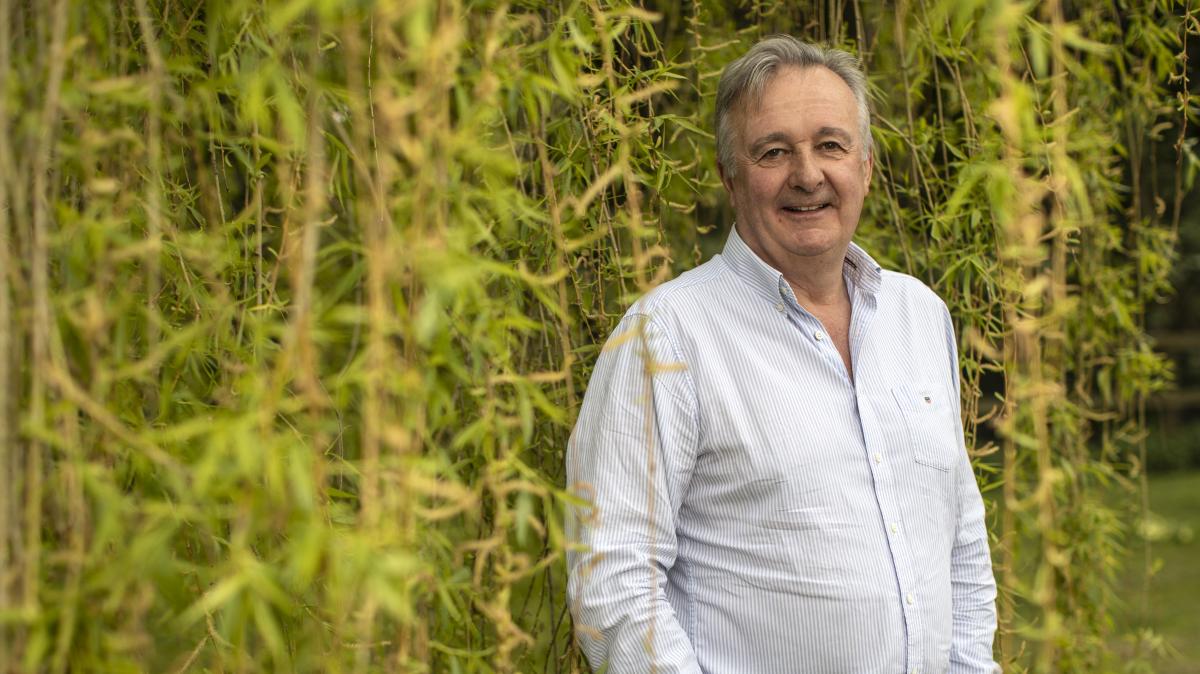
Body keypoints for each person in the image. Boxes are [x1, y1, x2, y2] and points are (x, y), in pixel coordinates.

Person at [565, 35, 1000, 674]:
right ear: (730, 177)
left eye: (831, 145)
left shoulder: (919, 316)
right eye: (773, 151)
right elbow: (613, 580)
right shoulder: (665, 338)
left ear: (866, 166)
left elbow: (958, 543)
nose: (808, 175)